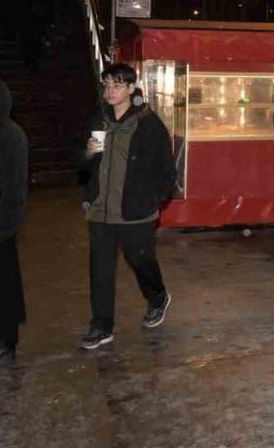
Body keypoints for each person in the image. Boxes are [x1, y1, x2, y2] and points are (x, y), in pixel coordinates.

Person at [79, 64, 177, 350]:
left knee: (140, 260)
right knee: (101, 270)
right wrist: (87, 152)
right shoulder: (99, 119)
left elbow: (166, 170)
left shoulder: (148, 124)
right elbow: (82, 164)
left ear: (132, 88)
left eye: (117, 85)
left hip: (135, 212)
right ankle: (101, 326)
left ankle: (157, 296)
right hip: (100, 210)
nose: (110, 90)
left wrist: (151, 200)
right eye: (107, 85)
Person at [0, 81, 28, 363]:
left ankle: (6, 340)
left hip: (1, 221)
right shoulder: (12, 132)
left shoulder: (6, 135)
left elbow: (7, 182)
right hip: (6, 219)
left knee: (4, 282)